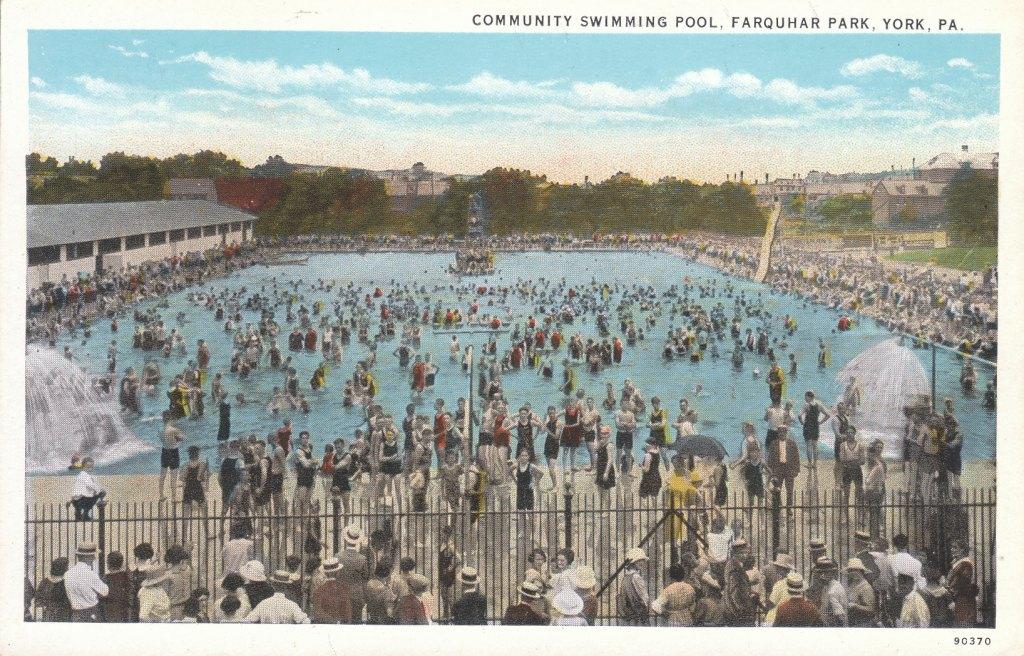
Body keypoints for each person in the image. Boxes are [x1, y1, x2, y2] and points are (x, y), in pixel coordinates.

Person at [64, 542, 108, 622]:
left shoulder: (67, 574)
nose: (95, 558)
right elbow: (105, 592)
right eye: (94, 555)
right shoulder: (90, 574)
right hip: (91, 614)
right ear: (89, 557)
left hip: (75, 615)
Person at [337, 524, 370, 622]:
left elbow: (336, 575)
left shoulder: (338, 556)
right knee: (356, 621)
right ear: (357, 541)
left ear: (346, 540)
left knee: (343, 621)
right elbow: (366, 577)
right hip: (357, 594)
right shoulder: (362, 559)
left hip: (342, 593)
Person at [311, 557, 351, 624]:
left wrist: (332, 621)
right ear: (338, 572)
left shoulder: (318, 591)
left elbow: (318, 612)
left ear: (325, 573)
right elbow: (347, 612)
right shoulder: (344, 588)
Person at [947, 542, 978, 627]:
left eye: (955, 548)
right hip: (958, 598)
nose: (952, 550)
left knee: (963, 623)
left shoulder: (966, 564)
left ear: (962, 550)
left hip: (963, 598)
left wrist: (949, 588)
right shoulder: (958, 563)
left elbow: (962, 582)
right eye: (952, 547)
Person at [618, 547, 651, 626]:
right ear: (634, 562)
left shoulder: (626, 577)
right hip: (639, 617)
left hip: (629, 617)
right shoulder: (636, 577)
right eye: (640, 560)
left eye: (643, 560)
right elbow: (644, 597)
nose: (642, 563)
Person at [798, 391, 831, 466]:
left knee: (809, 445)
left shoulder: (806, 405)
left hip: (808, 426)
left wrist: (802, 423)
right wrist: (820, 422)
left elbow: (799, 415)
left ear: (809, 397)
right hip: (816, 425)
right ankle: (815, 464)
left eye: (805, 396)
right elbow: (827, 415)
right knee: (815, 445)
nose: (804, 398)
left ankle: (809, 464)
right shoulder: (819, 404)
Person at [100, 551, 134, 622]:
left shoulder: (105, 579)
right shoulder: (127, 576)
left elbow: (101, 596)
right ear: (121, 564)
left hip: (109, 613)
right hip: (125, 613)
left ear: (108, 564)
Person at [36, 556, 72, 622]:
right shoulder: (66, 583)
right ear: (64, 569)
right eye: (67, 567)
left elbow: (38, 602)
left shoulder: (45, 582)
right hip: (64, 616)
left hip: (49, 615)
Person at [159, 412, 184, 502]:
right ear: (170, 419)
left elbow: (162, 440)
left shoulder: (160, 429)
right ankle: (173, 498)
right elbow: (182, 438)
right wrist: (177, 440)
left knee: (163, 475)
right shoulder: (174, 430)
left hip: (164, 451)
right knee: (173, 476)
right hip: (173, 452)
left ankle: (161, 495)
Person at [845, 558, 878, 627]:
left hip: (863, 623)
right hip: (852, 622)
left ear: (861, 571)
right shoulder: (852, 584)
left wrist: (856, 606)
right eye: (850, 570)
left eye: (855, 570)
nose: (852, 572)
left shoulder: (866, 587)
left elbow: (871, 609)